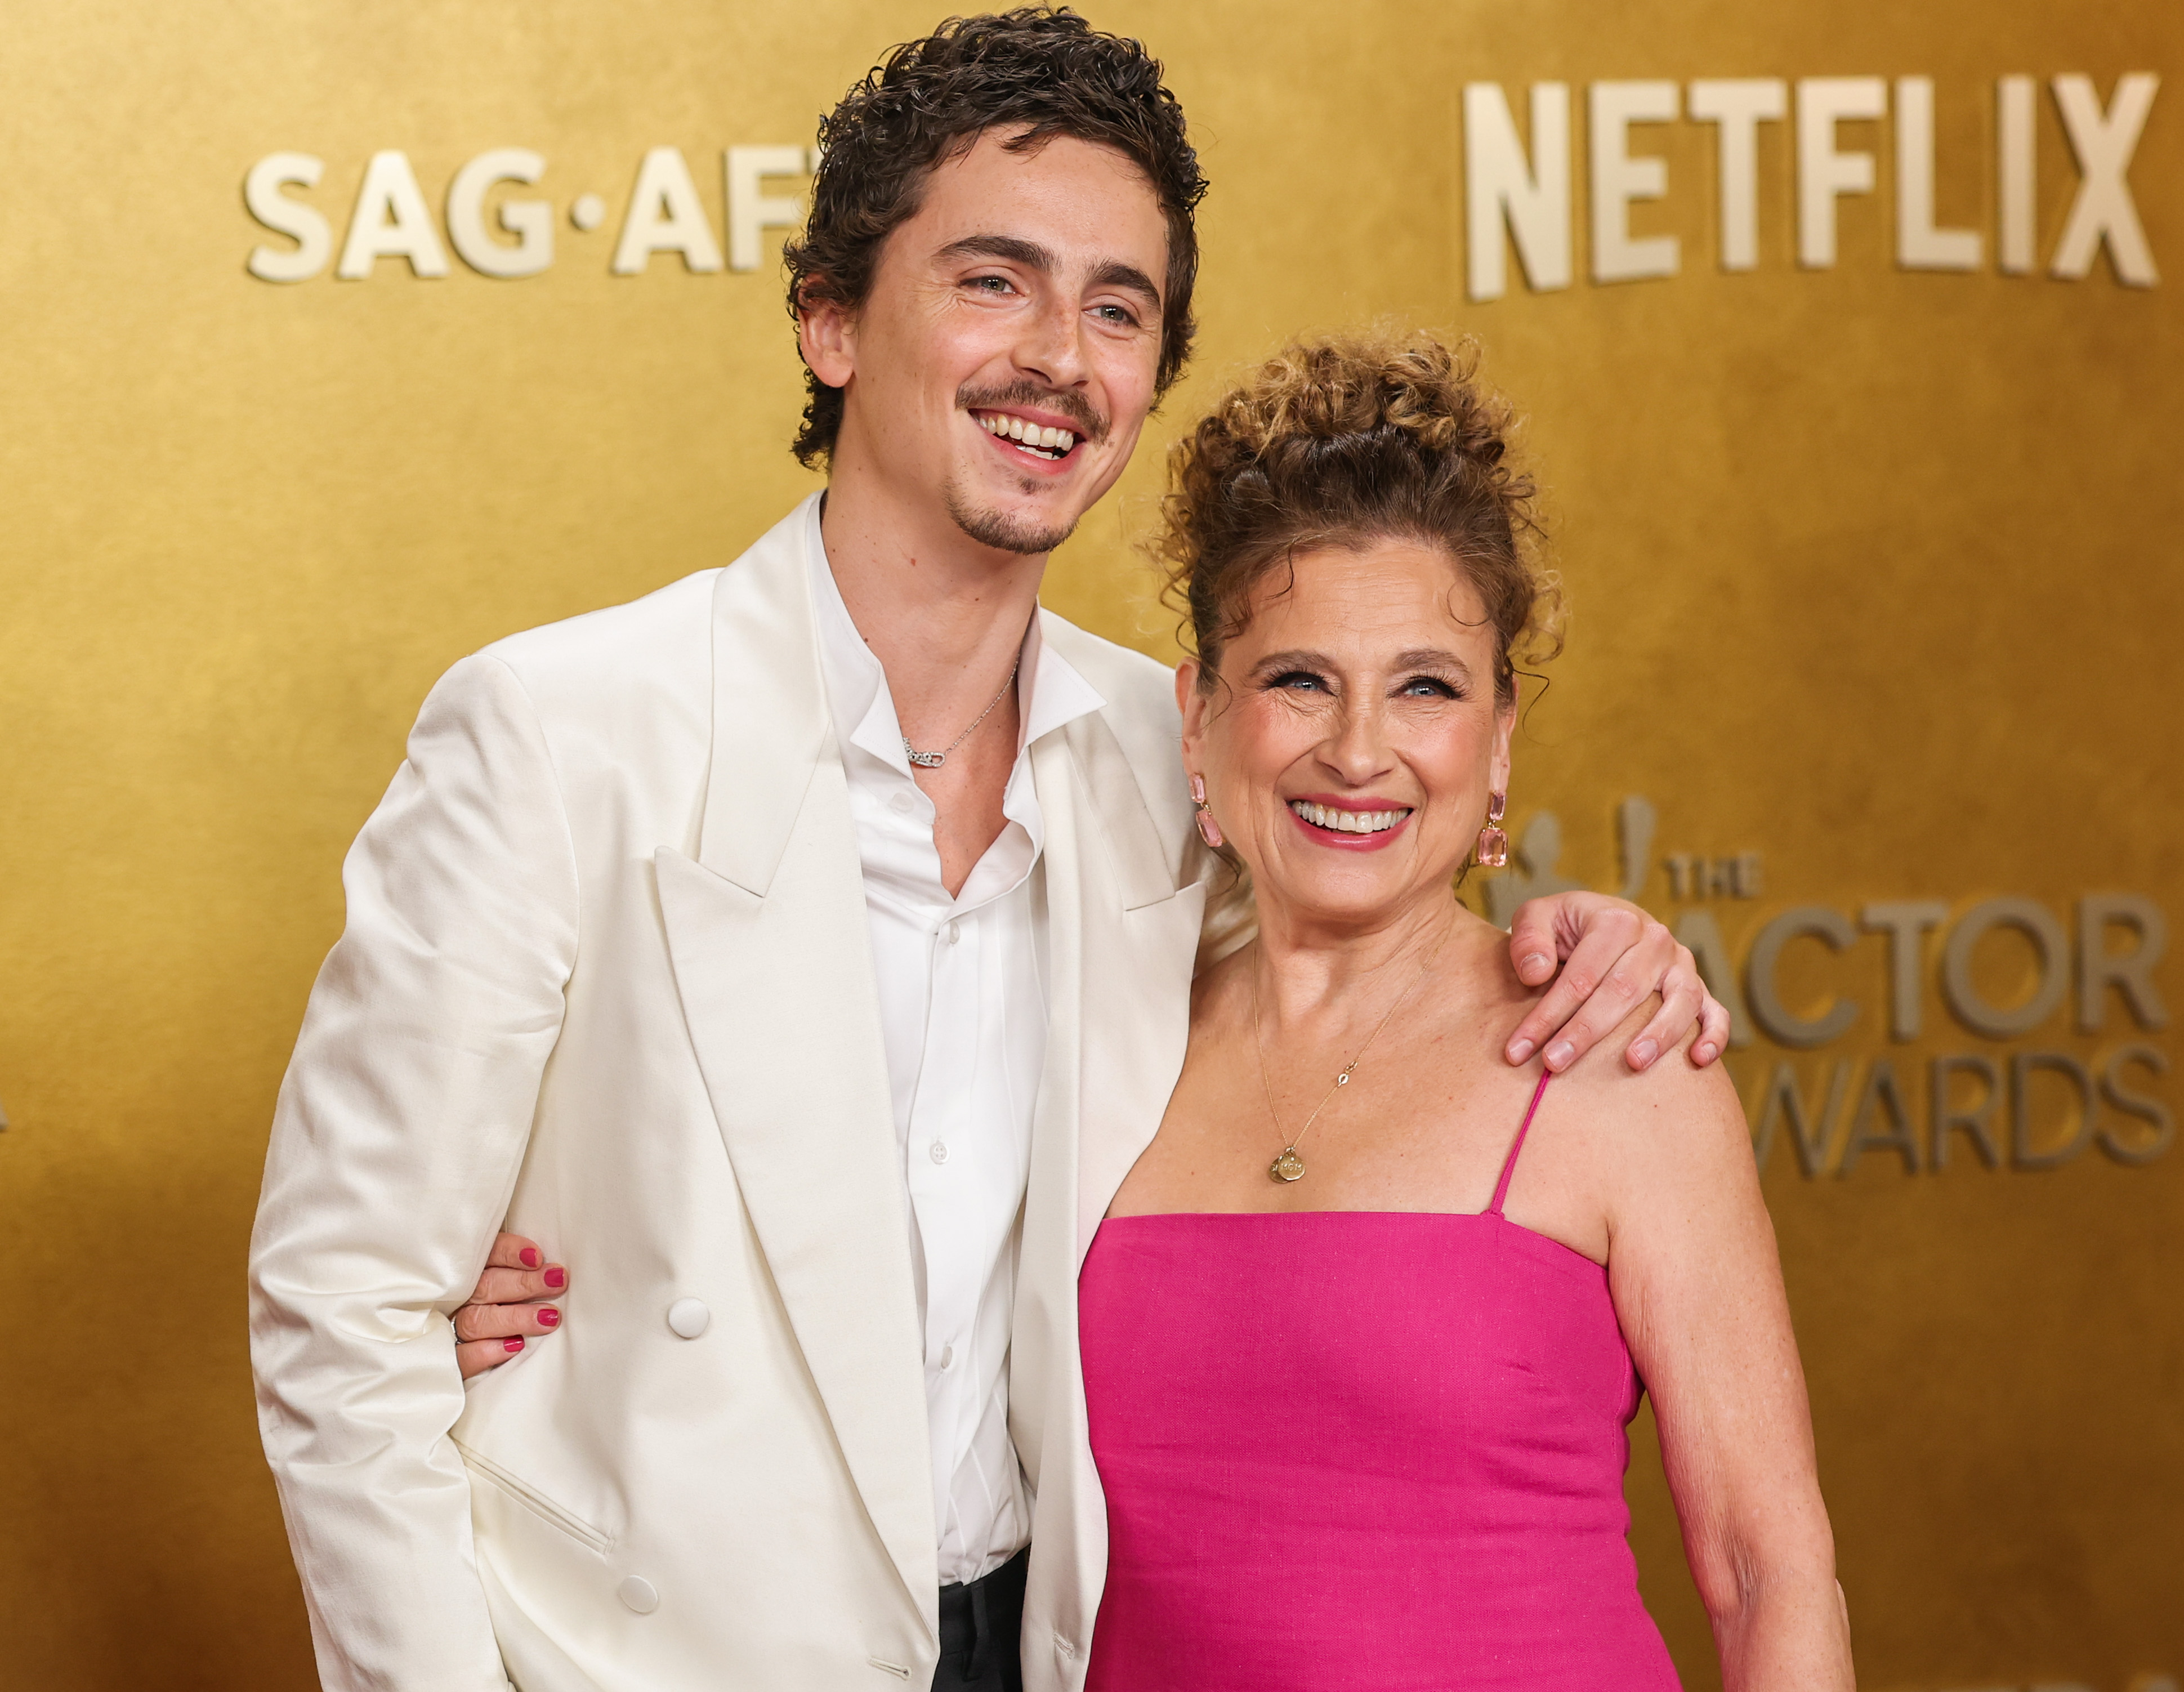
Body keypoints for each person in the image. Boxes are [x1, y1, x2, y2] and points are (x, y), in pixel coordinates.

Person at [245, 12, 1727, 1692]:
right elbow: (347, 1307)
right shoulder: (559, 732)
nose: (1059, 355)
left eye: (1117, 306)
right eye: (990, 280)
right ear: (827, 320)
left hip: (1034, 1645)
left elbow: (1385, 931)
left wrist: (1599, 942)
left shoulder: (1169, 764)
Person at [1078, 333, 1853, 1690]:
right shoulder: (1084, 1039)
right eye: (1298, 679)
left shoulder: (1616, 1055)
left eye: (1425, 686)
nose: (1359, 751)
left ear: (1497, 740)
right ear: (1200, 715)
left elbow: (1766, 1573)